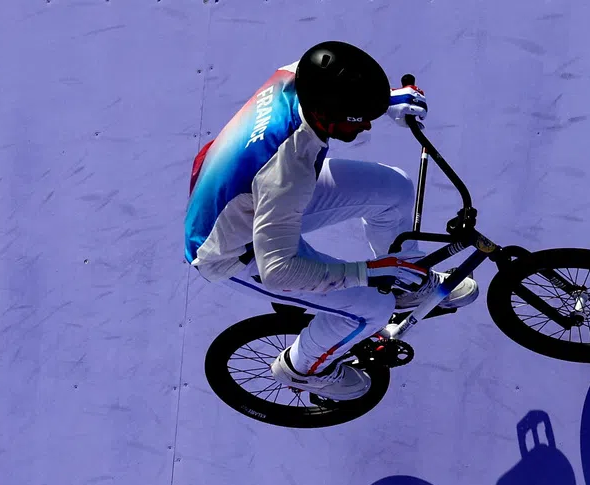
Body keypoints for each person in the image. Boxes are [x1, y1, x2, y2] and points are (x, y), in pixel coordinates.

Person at [185, 42, 478, 400]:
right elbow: (278, 270)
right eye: (360, 118)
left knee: (393, 189)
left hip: (248, 193)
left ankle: (408, 284)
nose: (368, 124)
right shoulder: (287, 171)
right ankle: (302, 370)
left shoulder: (299, 74)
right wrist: (370, 271)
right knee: (373, 307)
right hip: (234, 250)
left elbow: (339, 90)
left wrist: (387, 99)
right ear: (326, 114)